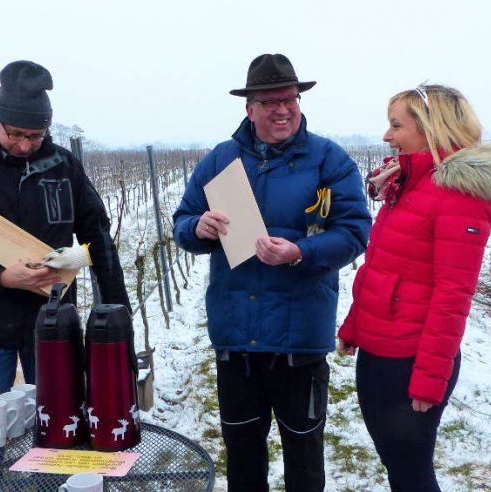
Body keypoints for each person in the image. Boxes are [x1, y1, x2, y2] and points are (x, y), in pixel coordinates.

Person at [173, 53, 372, 492]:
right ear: (250, 108)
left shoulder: (329, 160)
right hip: (236, 338)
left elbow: (356, 232)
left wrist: (300, 251)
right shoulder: (220, 160)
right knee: (242, 451)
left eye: (290, 99)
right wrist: (198, 228)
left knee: (303, 453)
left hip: (299, 338)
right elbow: (182, 223)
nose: (283, 109)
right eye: (270, 102)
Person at [338, 84, 491, 491]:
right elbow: (382, 266)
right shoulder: (409, 184)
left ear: (431, 129)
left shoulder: (457, 196)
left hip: (407, 359)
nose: (387, 135)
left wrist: (429, 378)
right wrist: (356, 325)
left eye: (396, 125)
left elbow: (452, 296)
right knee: (396, 463)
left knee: (410, 471)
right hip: (379, 348)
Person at [0, 60, 130, 394]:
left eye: (35, 136)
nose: (24, 145)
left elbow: (97, 237)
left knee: (59, 421)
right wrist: (1, 277)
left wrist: (117, 310)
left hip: (53, 322)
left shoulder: (63, 165)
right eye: (15, 134)